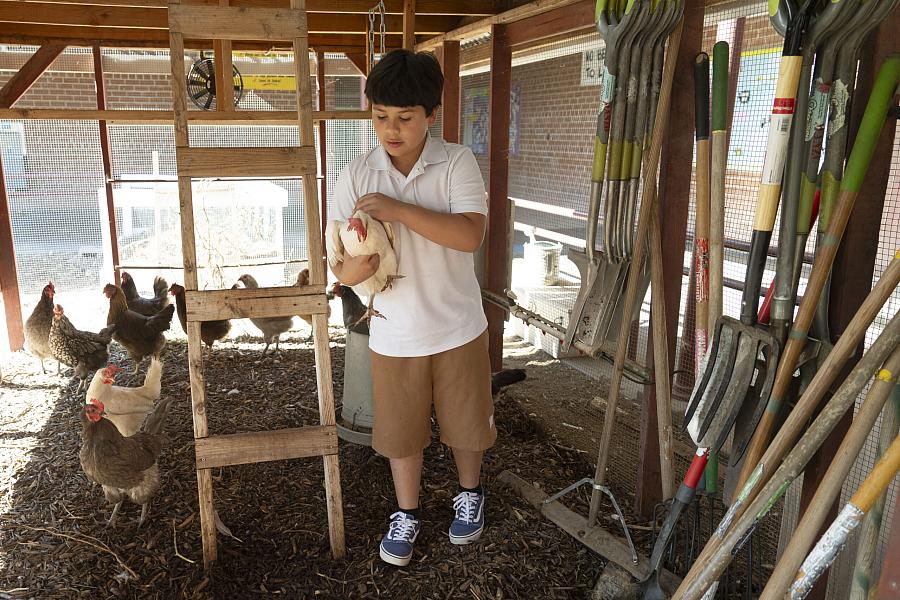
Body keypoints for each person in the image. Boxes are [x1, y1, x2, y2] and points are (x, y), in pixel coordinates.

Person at [328, 49, 494, 567]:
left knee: (466, 424)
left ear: (430, 115)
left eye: (405, 118)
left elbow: (469, 235)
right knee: (401, 431)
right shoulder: (356, 173)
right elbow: (338, 264)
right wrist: (357, 267)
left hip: (457, 323)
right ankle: (407, 511)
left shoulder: (456, 162)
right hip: (394, 330)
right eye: (380, 117)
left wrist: (398, 209)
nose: (391, 130)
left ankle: (470, 494)